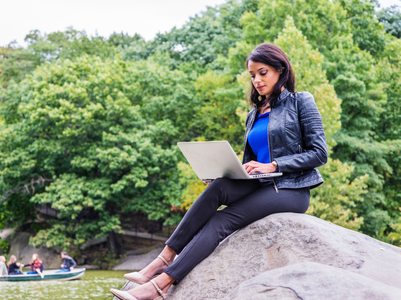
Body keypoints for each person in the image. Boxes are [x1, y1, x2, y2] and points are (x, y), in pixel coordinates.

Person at [110, 43, 328, 300]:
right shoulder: (254, 114)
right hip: (261, 183)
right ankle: (165, 258)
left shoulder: (301, 101)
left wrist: (274, 165)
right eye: (252, 75)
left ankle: (159, 286)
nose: (257, 80)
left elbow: (319, 153)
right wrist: (225, 172)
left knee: (222, 221)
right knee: (219, 187)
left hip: (291, 189)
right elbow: (251, 162)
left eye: (262, 72)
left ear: (280, 70)